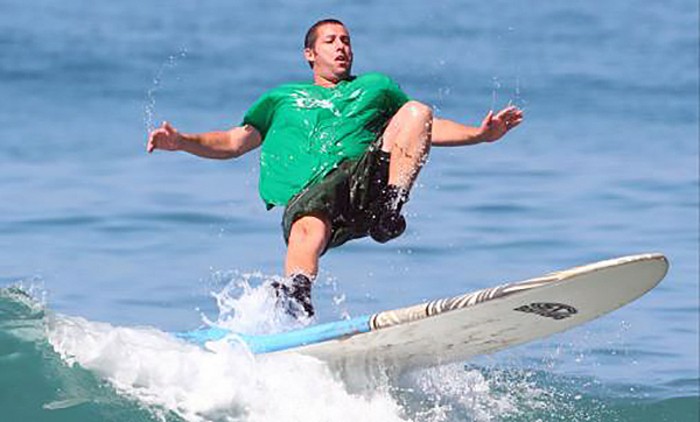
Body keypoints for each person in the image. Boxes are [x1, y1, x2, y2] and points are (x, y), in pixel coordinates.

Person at [147, 19, 523, 318]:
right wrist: (182, 141)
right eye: (331, 41)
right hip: (313, 193)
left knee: (418, 110)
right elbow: (233, 141)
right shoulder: (282, 98)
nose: (342, 46)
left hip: (368, 179)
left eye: (346, 40)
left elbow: (421, 129)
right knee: (308, 224)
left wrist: (480, 135)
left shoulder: (376, 87)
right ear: (310, 54)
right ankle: (297, 290)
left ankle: (390, 210)